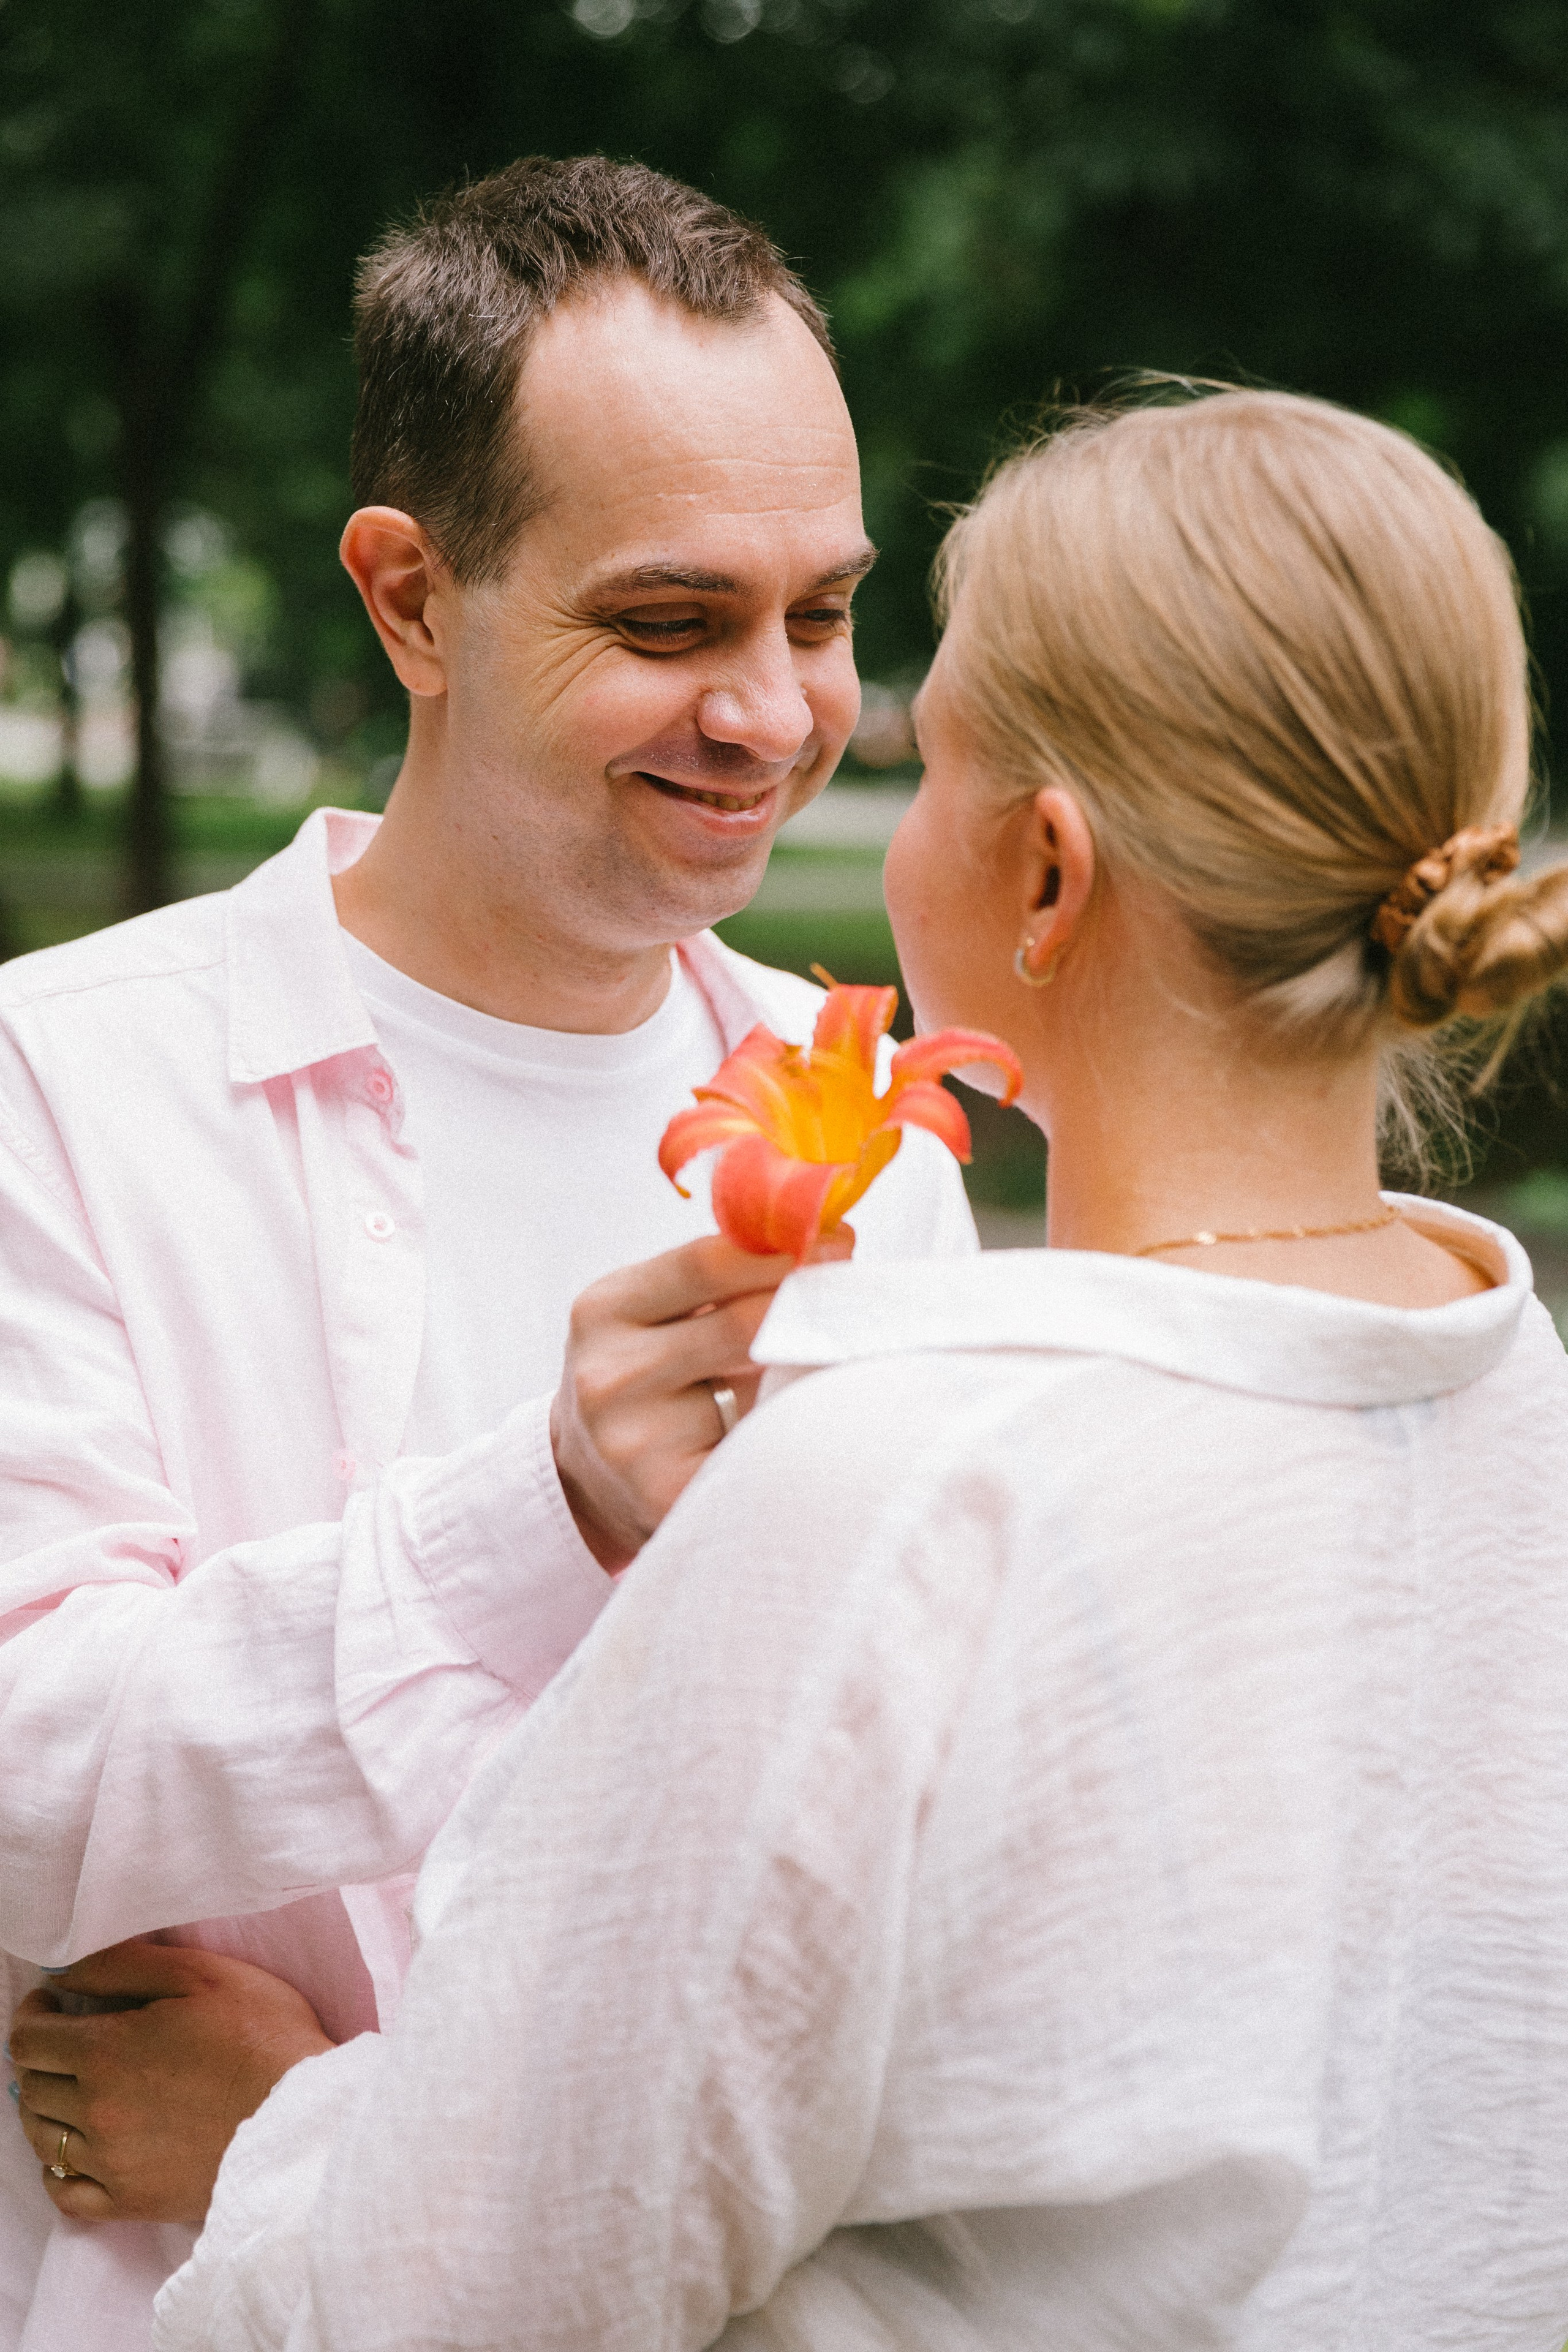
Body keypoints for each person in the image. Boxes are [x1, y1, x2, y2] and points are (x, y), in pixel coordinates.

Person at [153, 385, 1568, 2351]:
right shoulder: (1525, 1410)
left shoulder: (902, 1497)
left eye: (934, 759)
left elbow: (452, 2294)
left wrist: (268, 2130)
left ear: (1048, 878)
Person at [0, 157, 976, 2348]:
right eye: (668, 623)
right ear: (412, 600)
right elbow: (27, 1779)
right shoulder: (56, 1090)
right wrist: (533, 1520)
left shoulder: (879, 1148)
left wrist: (321, 2124)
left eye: (817, 615)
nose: (771, 713)